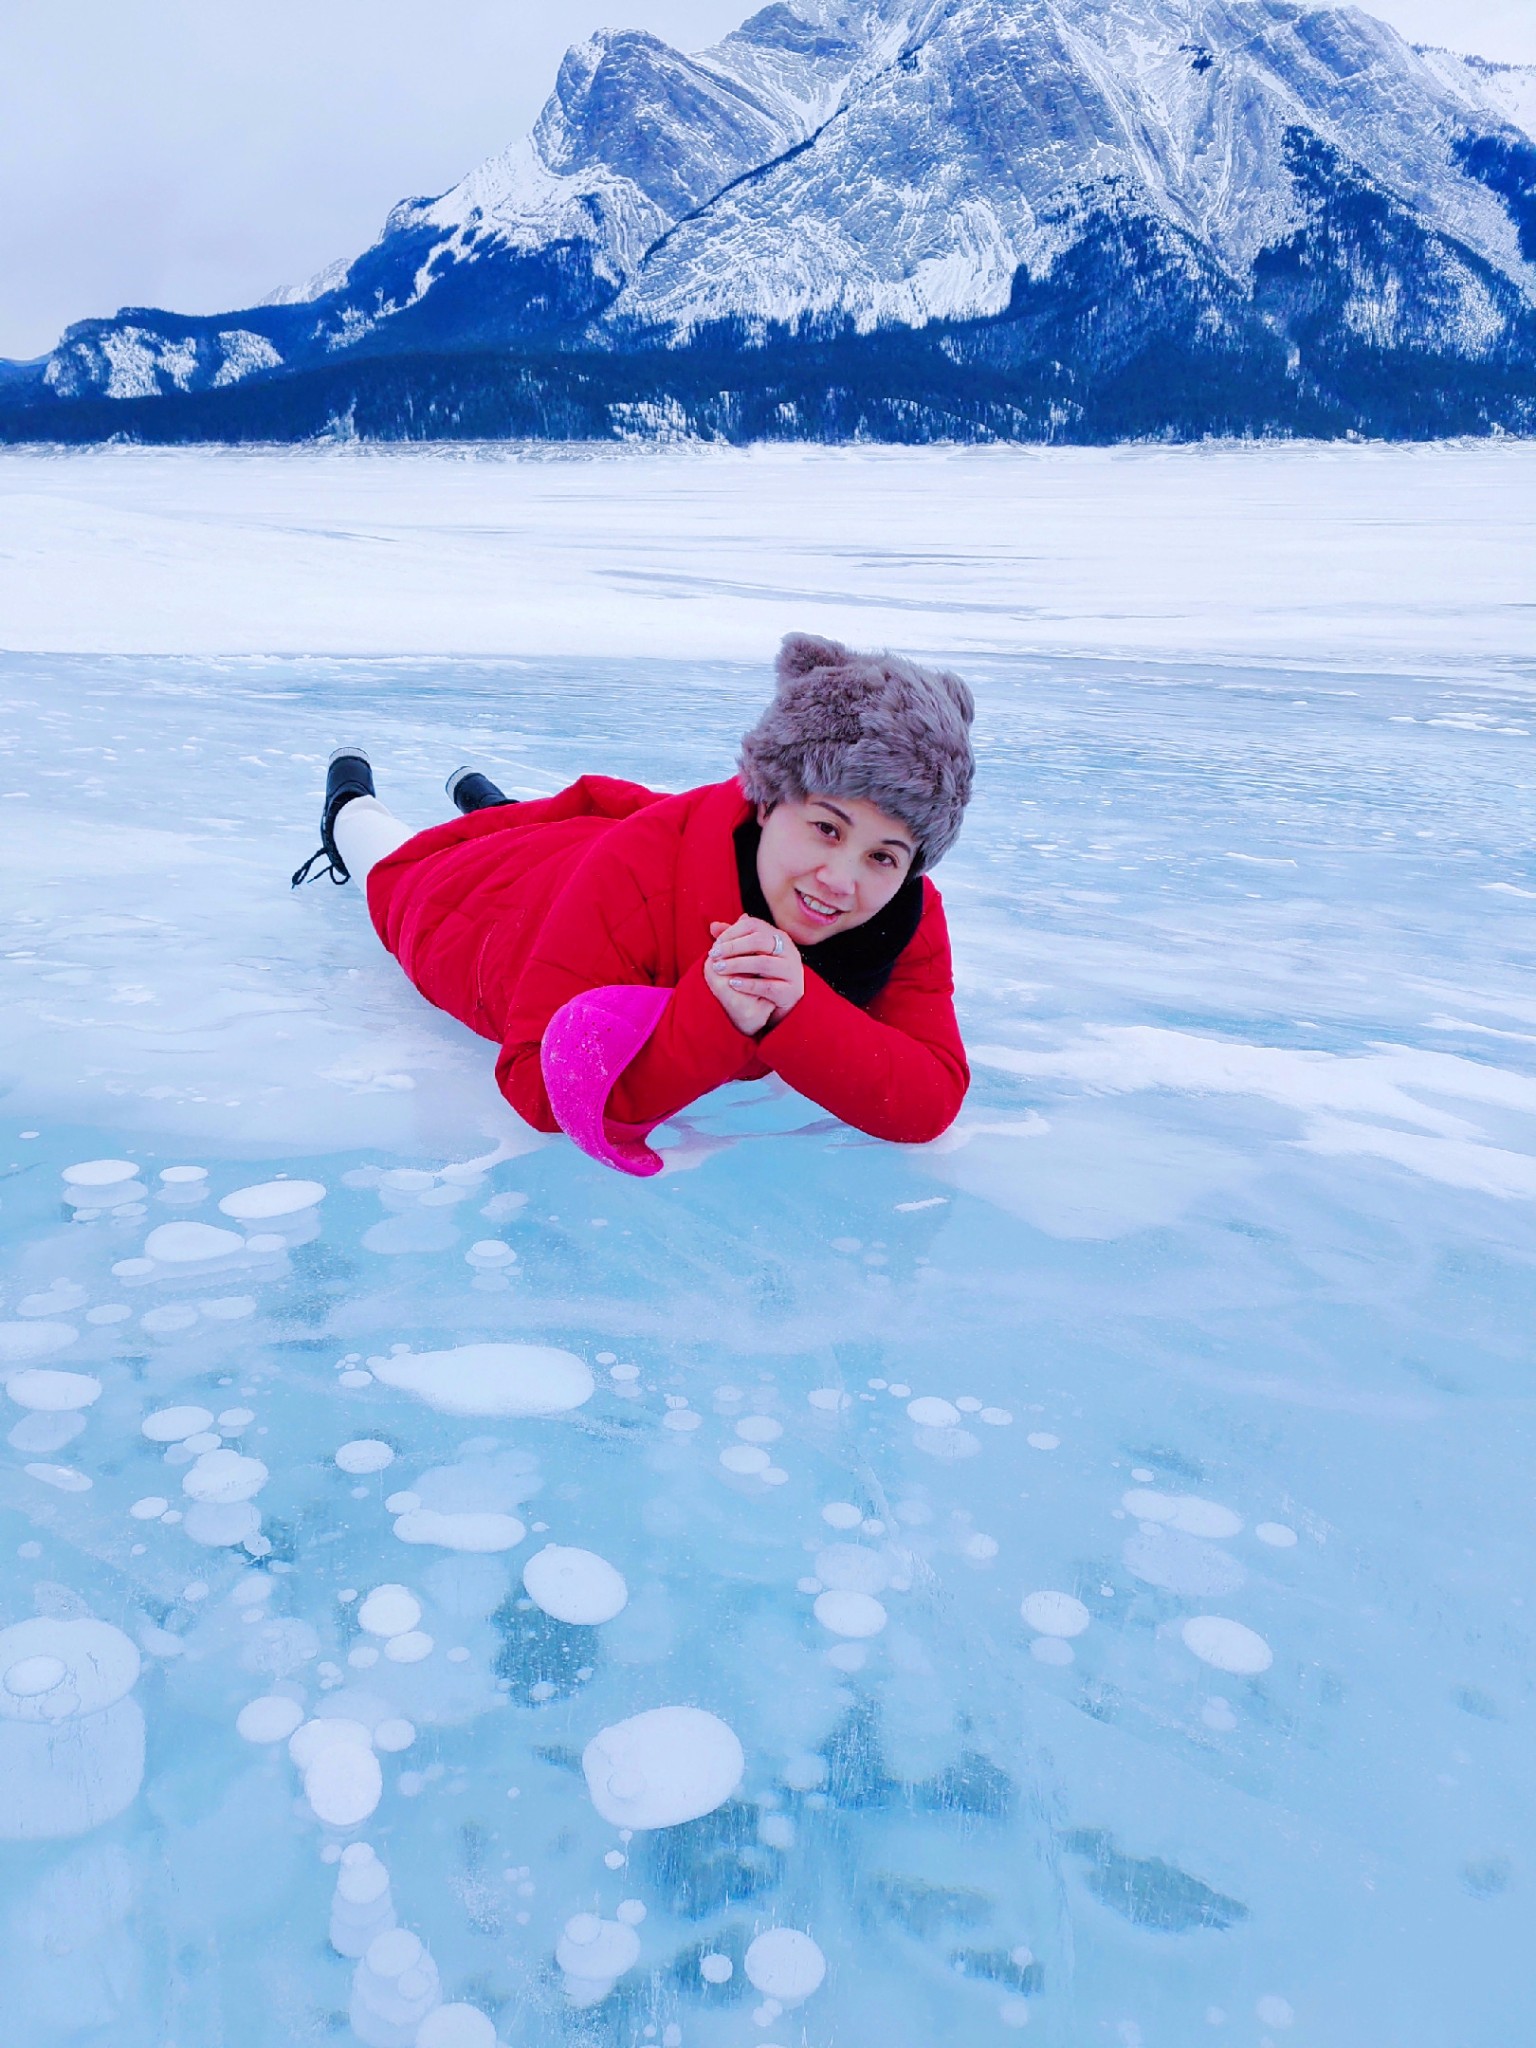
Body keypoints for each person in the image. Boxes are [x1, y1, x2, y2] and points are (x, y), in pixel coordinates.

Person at [292, 633, 975, 1176]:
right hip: (515, 909)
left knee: (526, 824)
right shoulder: (638, 873)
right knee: (404, 872)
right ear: (767, 801)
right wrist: (716, 1014)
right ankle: (350, 804)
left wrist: (795, 1009)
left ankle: (490, 803)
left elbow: (930, 1097)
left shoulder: (901, 908)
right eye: (826, 828)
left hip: (590, 860)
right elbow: (539, 1086)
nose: (841, 880)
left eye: (883, 855)